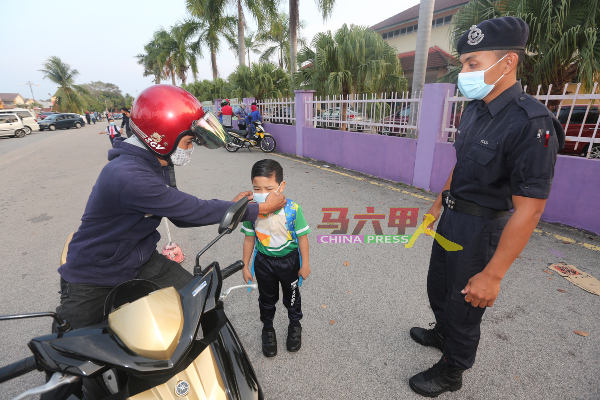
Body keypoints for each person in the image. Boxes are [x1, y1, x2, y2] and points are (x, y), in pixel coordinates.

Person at [407, 17, 565, 397]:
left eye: (472, 64)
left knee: (466, 303)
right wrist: (436, 205)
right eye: (463, 64)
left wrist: (493, 275)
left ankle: (452, 370)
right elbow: (463, 164)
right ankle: (442, 332)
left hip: (482, 230)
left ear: (508, 62)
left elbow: (531, 209)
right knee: (440, 286)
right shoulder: (477, 108)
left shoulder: (532, 123)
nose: (464, 72)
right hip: (453, 217)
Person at [241, 159, 311, 357]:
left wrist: (305, 265)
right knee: (266, 299)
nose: (262, 192)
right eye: (257, 188)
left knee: (293, 297)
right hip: (263, 263)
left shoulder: (293, 209)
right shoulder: (251, 211)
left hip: (289, 262)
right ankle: (268, 329)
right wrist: (245, 266)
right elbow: (249, 239)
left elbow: (303, 238)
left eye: (269, 188)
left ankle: (295, 325)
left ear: (281, 186)